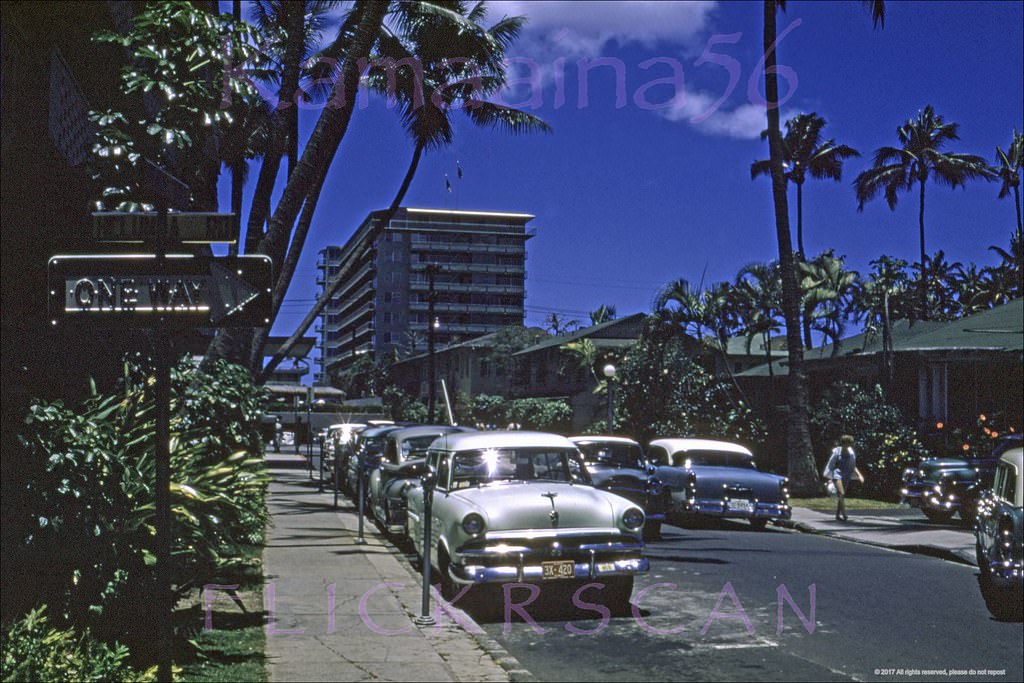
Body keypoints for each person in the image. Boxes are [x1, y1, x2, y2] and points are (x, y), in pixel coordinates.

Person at [823, 434, 865, 521]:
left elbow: (853, 466)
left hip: (846, 474)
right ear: (844, 443)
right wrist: (830, 477)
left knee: (841, 496)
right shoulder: (837, 452)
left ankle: (838, 515)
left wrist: (859, 475)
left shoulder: (851, 453)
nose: (850, 445)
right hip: (837, 474)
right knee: (841, 493)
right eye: (849, 443)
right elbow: (831, 465)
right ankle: (844, 513)